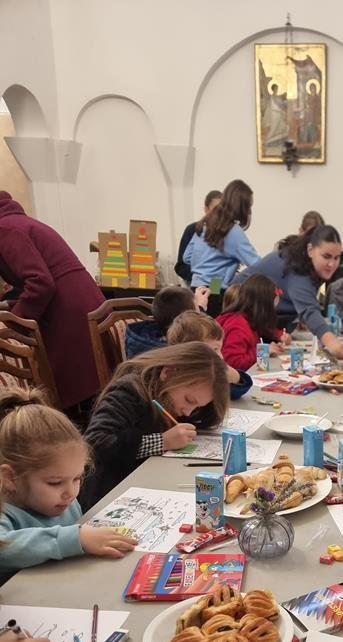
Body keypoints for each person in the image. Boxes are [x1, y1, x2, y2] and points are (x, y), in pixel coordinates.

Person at [0, 387, 136, 582]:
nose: (71, 492)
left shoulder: (63, 500)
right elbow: (4, 549)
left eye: (77, 478)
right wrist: (76, 539)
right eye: (55, 483)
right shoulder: (6, 511)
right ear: (10, 478)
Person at [81, 342, 230, 510]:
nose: (188, 413)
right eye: (189, 400)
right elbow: (95, 442)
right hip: (109, 493)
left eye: (197, 407)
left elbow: (209, 418)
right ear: (168, 372)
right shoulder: (128, 391)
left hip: (147, 483)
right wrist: (162, 441)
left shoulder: (170, 392)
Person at [0, 192, 104, 410]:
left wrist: (13, 326)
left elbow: (40, 282)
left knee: (73, 396)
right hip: (81, 304)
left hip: (66, 313)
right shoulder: (19, 222)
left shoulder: (5, 229)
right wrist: (11, 306)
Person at [234, 224, 343, 358]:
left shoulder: (307, 263)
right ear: (310, 250)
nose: (332, 264)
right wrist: (330, 340)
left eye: (336, 257)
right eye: (326, 256)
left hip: (263, 324)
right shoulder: (297, 268)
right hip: (241, 320)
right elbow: (309, 309)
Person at [184, 180, 260, 316]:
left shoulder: (205, 224)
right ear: (243, 207)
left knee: (199, 327)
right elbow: (257, 264)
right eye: (249, 206)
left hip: (195, 289)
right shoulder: (233, 231)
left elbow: (187, 257)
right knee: (215, 328)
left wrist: (208, 266)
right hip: (215, 289)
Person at [166, 310, 253, 400]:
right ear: (191, 350)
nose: (221, 356)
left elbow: (234, 393)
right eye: (215, 349)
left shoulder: (211, 370)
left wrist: (237, 378)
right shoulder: (173, 376)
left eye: (220, 349)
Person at [215, 274, 288, 371]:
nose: (273, 311)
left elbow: (266, 329)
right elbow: (233, 363)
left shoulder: (248, 319)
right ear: (263, 305)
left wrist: (270, 346)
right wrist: (263, 351)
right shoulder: (238, 325)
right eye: (272, 307)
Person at [124, 286, 196, 358]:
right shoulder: (180, 353)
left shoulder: (143, 339)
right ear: (184, 320)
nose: (198, 314)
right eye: (197, 310)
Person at [174, 189, 223, 284]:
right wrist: (201, 278)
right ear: (206, 209)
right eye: (215, 210)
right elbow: (181, 266)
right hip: (194, 284)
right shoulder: (192, 230)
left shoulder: (225, 233)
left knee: (215, 293)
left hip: (216, 283)